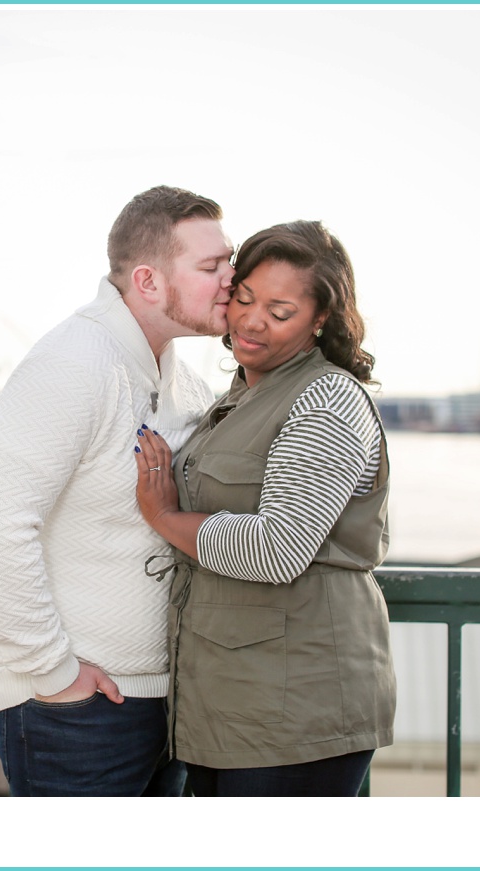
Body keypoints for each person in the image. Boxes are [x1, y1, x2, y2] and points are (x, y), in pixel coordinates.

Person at [0, 185, 235, 796]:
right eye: (212, 266)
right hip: (74, 711)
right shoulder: (75, 363)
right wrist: (53, 673)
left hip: (163, 705)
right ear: (149, 281)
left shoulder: (181, 380)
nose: (232, 281)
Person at [133, 219, 396, 797]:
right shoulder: (244, 393)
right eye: (245, 298)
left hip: (297, 712)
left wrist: (164, 517)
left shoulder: (325, 401)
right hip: (234, 707)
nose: (251, 321)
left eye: (280, 312)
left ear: (320, 319)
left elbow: (277, 549)